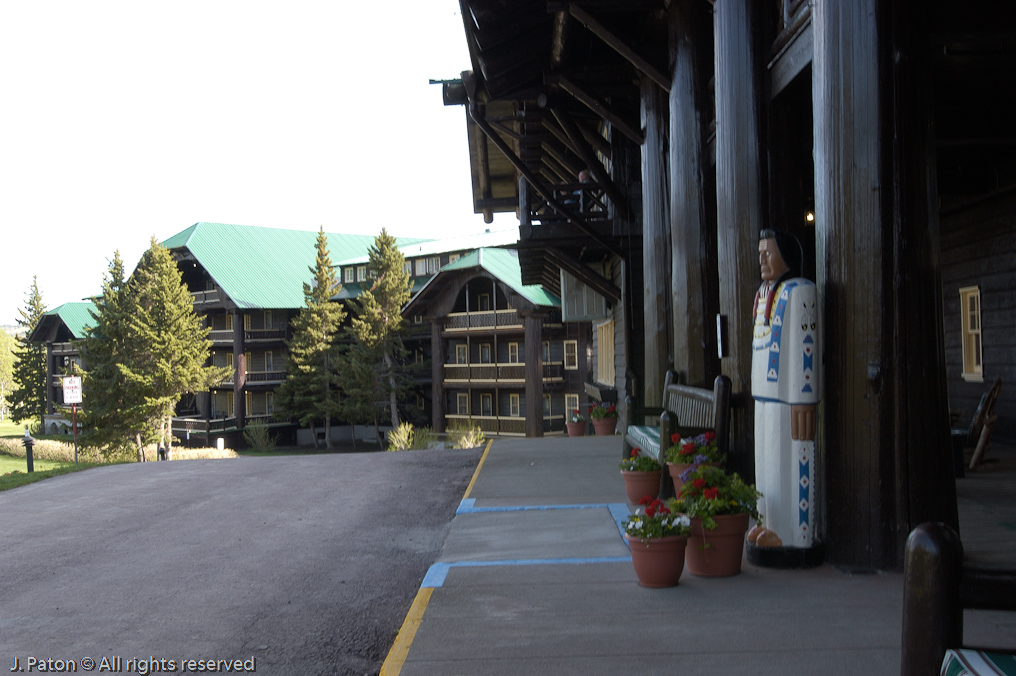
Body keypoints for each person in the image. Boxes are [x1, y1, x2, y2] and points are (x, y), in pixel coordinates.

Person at [750, 229, 821, 554]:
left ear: (786, 256)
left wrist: (804, 397)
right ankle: (766, 522)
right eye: (761, 253)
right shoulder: (763, 293)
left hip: (788, 400)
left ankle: (792, 534)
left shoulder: (800, 291)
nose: (762, 259)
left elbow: (806, 345)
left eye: (769, 253)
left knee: (785, 463)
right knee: (764, 466)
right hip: (763, 395)